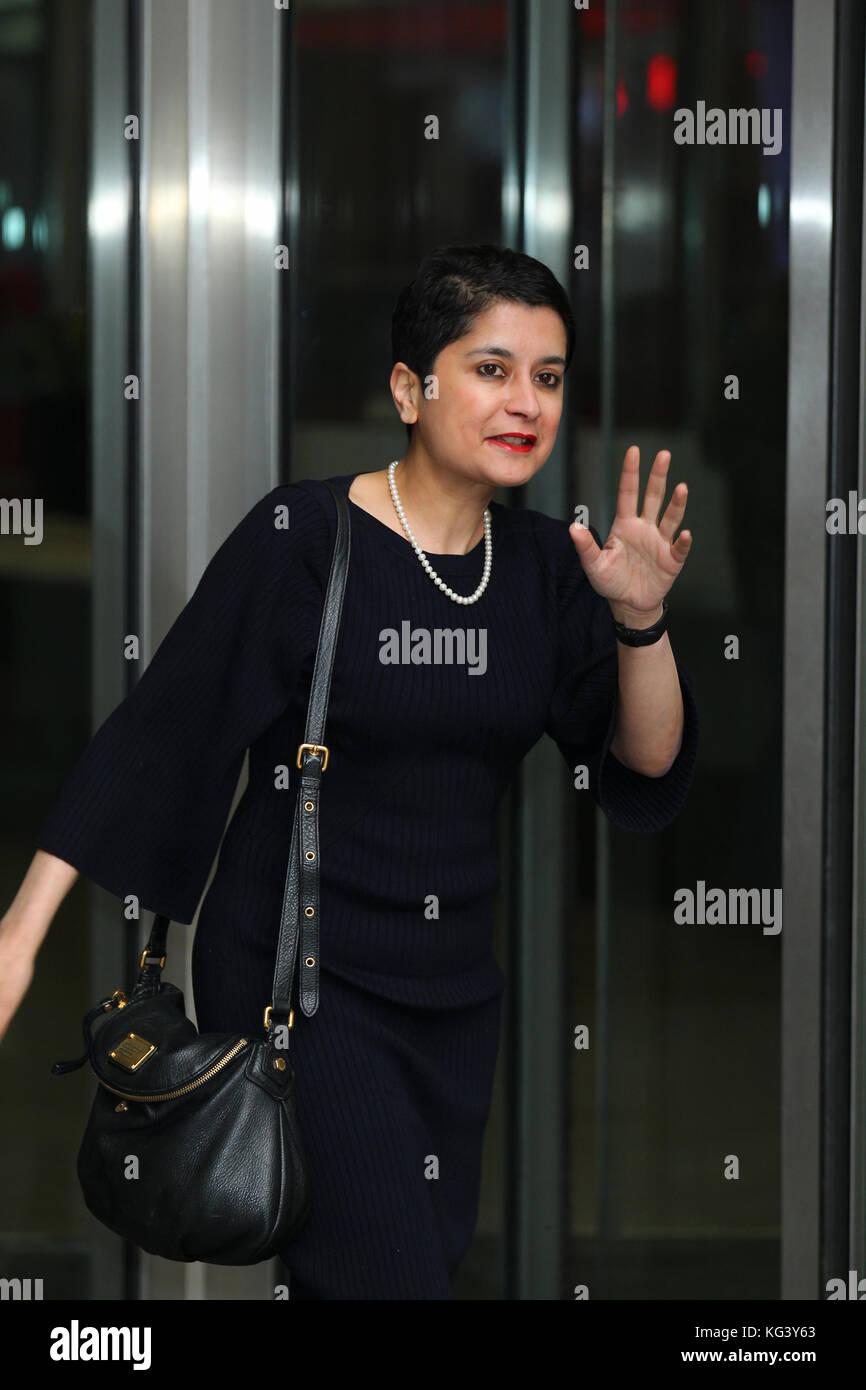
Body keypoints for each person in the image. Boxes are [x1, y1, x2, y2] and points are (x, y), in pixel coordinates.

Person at [0, 243, 698, 1299]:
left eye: (547, 378)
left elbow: (640, 757)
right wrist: (19, 935)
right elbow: (163, 729)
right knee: (390, 1276)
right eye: (490, 369)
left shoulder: (550, 569)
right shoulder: (305, 536)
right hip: (304, 986)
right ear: (408, 390)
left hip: (454, 992)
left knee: (385, 1266)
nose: (525, 403)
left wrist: (638, 620)